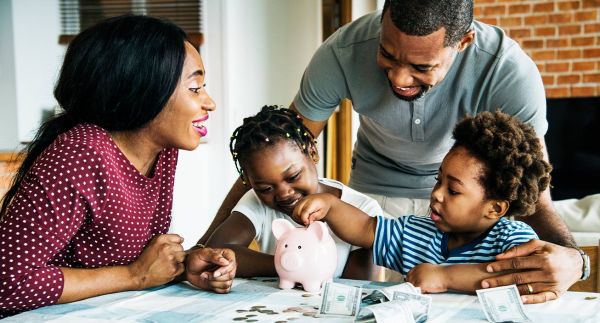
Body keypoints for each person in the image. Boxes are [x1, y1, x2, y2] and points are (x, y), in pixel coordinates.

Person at [200, 0, 586, 304]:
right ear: (383, 20)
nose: (400, 78)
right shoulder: (342, 52)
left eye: (421, 65)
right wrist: (202, 250)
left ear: (463, 42)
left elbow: (535, 199)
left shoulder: (508, 72)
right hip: (373, 195)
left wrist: (576, 260)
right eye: (387, 54)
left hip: (464, 193)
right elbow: (277, 150)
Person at [0, 15, 236, 317]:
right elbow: (8, 282)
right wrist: (135, 275)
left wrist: (182, 265)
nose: (209, 102)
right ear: (144, 89)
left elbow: (125, 261)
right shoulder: (80, 153)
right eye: (195, 88)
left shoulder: (161, 152)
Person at [293, 111, 549, 295]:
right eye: (439, 181)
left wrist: (444, 277)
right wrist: (330, 206)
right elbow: (365, 229)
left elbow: (517, 277)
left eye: (453, 190)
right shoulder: (416, 233)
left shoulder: (513, 240)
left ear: (495, 208)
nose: (437, 194)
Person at [205, 105, 383, 280]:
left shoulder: (363, 209)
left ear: (312, 152)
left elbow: (359, 286)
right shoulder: (257, 201)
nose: (283, 193)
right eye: (266, 188)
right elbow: (214, 252)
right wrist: (286, 265)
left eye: (293, 176)